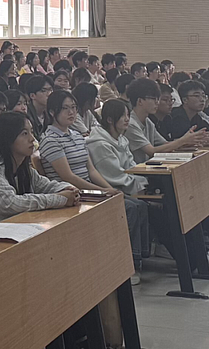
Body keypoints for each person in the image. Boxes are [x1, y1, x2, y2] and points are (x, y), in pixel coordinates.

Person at [0, 111, 79, 225]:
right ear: (8, 138)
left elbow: (46, 186)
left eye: (31, 132)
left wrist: (68, 189)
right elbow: (13, 204)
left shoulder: (24, 169)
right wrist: (60, 199)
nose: (32, 139)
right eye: (24, 133)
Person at [86, 99, 153, 284]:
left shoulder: (121, 139)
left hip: (124, 187)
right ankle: (130, 263)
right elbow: (114, 176)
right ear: (109, 119)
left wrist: (143, 182)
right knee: (134, 207)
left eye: (128, 115)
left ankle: (141, 256)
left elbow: (131, 167)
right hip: (108, 189)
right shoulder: (99, 144)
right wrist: (142, 186)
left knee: (143, 205)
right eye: (123, 116)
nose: (127, 119)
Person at [38, 90, 116, 193]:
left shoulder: (77, 135)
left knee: (128, 200)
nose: (71, 112)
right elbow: (68, 177)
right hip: (71, 193)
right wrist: (102, 191)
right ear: (52, 112)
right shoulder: (50, 140)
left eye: (73, 107)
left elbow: (91, 171)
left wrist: (110, 189)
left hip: (90, 191)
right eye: (65, 108)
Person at [125, 78, 208, 163]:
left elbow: (166, 144)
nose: (157, 102)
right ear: (140, 101)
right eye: (153, 98)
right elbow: (151, 151)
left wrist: (188, 142)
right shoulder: (131, 124)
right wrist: (183, 140)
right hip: (136, 169)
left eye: (158, 99)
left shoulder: (147, 121)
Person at [25, 74, 53, 139]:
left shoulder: (50, 113)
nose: (49, 94)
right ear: (32, 96)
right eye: (43, 91)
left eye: (50, 90)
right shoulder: (26, 115)